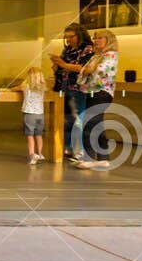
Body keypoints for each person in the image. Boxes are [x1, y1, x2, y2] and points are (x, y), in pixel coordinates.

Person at [73, 29, 119, 170]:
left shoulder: (111, 55)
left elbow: (99, 70)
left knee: (90, 123)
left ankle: (89, 158)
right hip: (91, 92)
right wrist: (87, 70)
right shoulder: (96, 55)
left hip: (102, 92)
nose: (96, 40)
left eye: (100, 38)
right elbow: (84, 72)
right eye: (95, 38)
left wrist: (88, 70)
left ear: (108, 40)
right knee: (97, 124)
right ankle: (103, 159)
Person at [48, 23, 94, 161]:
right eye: (66, 37)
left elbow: (83, 68)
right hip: (63, 87)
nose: (68, 40)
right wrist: (56, 66)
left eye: (70, 36)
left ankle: (79, 151)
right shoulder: (67, 49)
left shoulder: (88, 48)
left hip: (77, 88)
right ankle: (67, 147)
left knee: (77, 119)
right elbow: (62, 68)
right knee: (66, 120)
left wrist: (63, 64)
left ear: (79, 35)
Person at [21, 66, 48, 166]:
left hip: (29, 114)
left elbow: (17, 87)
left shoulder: (25, 86)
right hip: (40, 114)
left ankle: (32, 155)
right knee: (39, 135)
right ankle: (40, 153)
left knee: (30, 136)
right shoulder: (43, 87)